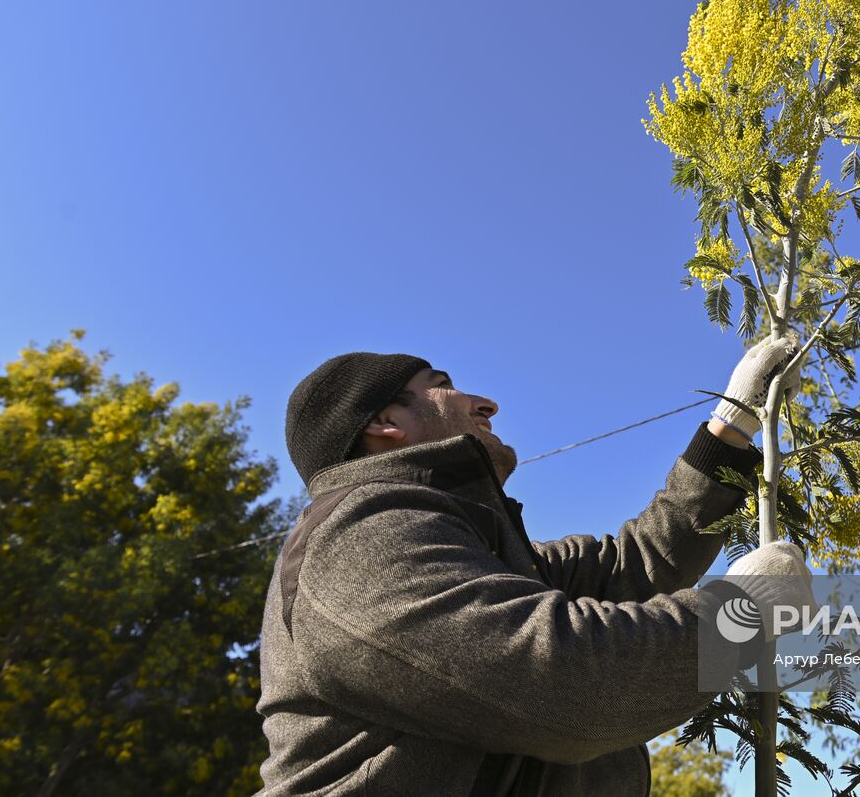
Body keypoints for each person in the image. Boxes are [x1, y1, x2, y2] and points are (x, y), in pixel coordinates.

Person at [255, 340, 816, 796]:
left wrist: (733, 423)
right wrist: (740, 615)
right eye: (442, 385)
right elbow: (565, 682)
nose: (486, 403)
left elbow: (632, 564)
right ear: (384, 421)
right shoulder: (358, 536)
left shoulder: (481, 552)